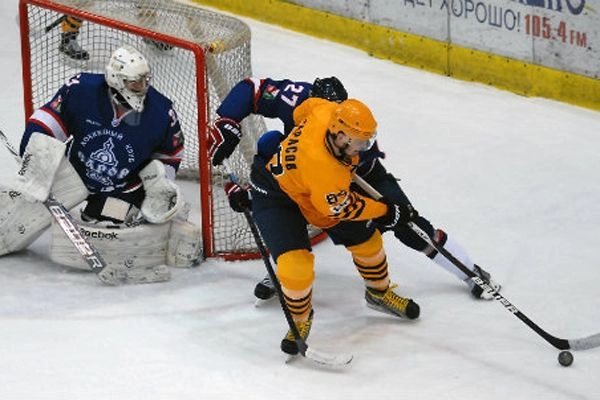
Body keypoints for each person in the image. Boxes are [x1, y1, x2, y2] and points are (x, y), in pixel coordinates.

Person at [210, 77, 501, 301]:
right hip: (299, 180)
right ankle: (285, 272)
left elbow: (356, 194)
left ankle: (468, 271)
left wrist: (390, 211)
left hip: (354, 180)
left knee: (410, 225)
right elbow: (253, 88)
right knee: (282, 210)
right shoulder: (300, 100)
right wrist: (226, 121)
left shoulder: (357, 133)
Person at [0, 45, 201, 283]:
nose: (143, 87)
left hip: (120, 188)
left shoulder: (161, 111)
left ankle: (107, 215)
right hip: (72, 174)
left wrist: (159, 182)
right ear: (116, 80)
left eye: (145, 80)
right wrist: (37, 156)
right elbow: (47, 120)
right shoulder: (82, 89)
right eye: (135, 82)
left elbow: (170, 153)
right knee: (23, 206)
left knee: (106, 230)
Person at [247, 96, 421, 355]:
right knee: (295, 267)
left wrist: (300, 144)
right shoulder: (324, 171)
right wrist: (387, 212)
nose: (364, 147)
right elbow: (343, 208)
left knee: (368, 242)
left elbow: (300, 112)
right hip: (276, 194)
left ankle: (378, 294)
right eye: (359, 141)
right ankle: (299, 321)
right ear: (340, 136)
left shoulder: (326, 110)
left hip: (309, 189)